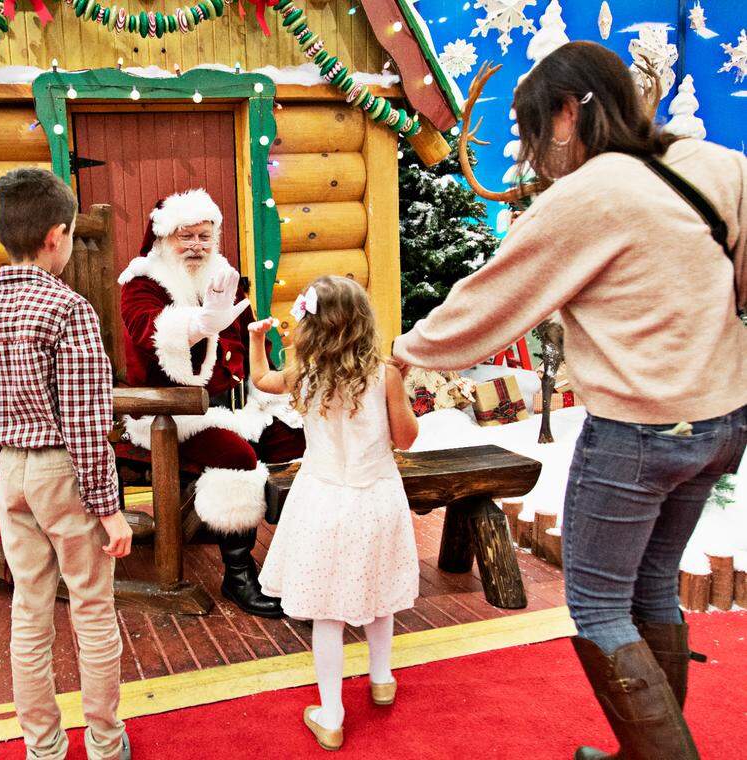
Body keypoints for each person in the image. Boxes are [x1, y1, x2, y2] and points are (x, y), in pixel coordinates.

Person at [392, 42, 747, 760]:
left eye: (533, 131)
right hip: (720, 422)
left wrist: (404, 352)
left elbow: (488, 303)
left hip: (636, 435)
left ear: (565, 113)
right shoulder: (720, 164)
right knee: (652, 586)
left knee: (598, 605)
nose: (538, 155)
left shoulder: (585, 196)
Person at [0, 167, 133, 760]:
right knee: (92, 608)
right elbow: (86, 421)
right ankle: (106, 743)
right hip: (64, 469)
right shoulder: (70, 309)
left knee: (29, 612)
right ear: (57, 235)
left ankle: (43, 747)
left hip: (10, 468)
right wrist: (110, 509)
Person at [119, 188, 305, 617]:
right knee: (236, 456)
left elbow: (252, 347)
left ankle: (299, 555)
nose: (197, 246)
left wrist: (265, 367)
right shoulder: (142, 283)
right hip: (173, 412)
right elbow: (149, 331)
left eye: (204, 236)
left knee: (299, 441)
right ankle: (238, 575)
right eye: (185, 236)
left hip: (237, 405)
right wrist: (200, 323)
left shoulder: (222, 277)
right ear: (163, 238)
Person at [252, 276, 420, 751]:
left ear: (310, 326)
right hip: (376, 497)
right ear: (363, 322)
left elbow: (261, 380)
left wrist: (256, 340)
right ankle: (381, 678)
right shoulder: (384, 375)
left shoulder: (303, 374)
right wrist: (402, 385)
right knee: (379, 589)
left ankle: (331, 713)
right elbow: (406, 439)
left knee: (327, 612)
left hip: (322, 500)